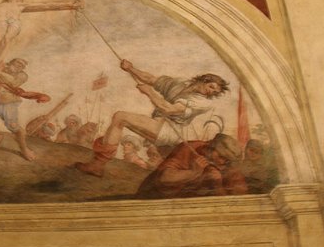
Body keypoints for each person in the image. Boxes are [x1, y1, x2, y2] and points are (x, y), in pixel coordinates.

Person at [75, 59, 229, 177]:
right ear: (204, 80)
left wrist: (149, 92)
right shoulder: (180, 83)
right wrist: (130, 68)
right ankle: (97, 165)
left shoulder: (202, 102)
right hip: (159, 123)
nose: (211, 92)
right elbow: (150, 79)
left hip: (170, 130)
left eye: (215, 92)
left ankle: (98, 164)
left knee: (120, 117)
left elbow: (168, 109)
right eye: (211, 87)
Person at [0, 58, 50, 161]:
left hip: (7, 102)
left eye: (22, 65)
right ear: (11, 62)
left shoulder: (22, 75)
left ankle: (24, 149)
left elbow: (13, 83)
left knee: (13, 127)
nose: (19, 66)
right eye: (18, 63)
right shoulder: (0, 69)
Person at [136, 133, 247, 199]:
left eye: (226, 160)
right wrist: (193, 172)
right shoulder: (189, 148)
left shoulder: (229, 164)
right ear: (210, 147)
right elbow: (164, 178)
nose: (222, 162)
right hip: (155, 198)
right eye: (221, 156)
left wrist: (217, 185)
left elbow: (239, 196)